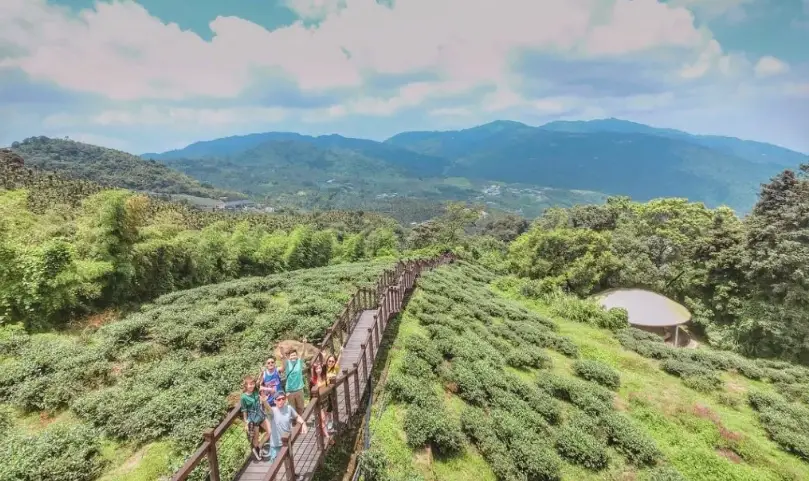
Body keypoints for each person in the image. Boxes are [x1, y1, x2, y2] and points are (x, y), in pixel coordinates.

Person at [266, 391, 307, 462]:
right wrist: (264, 401)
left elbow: (297, 417)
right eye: (278, 399)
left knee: (289, 461)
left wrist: (303, 423)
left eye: (283, 398)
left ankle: (292, 473)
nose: (281, 401)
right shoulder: (273, 410)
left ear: (285, 399)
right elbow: (268, 408)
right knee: (276, 465)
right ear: (274, 401)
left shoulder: (289, 408)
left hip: (287, 441)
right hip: (276, 444)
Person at [240, 375, 272, 461]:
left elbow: (259, 382)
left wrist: (261, 374)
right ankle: (257, 450)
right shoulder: (243, 397)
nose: (251, 386)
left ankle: (259, 447)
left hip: (261, 415)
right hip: (253, 419)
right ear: (246, 385)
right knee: (256, 437)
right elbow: (244, 410)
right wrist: (246, 422)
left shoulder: (255, 391)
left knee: (270, 431)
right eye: (249, 384)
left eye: (252, 384)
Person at [279, 344, 306, 416]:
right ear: (289, 357)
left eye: (295, 355)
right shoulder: (287, 363)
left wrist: (304, 344)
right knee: (292, 409)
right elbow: (284, 357)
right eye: (292, 355)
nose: (293, 357)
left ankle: (300, 421)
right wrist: (281, 349)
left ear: (297, 356)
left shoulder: (299, 362)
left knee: (300, 407)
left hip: (299, 389)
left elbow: (303, 353)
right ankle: (295, 423)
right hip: (290, 391)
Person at [324, 354, 340, 433]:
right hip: (324, 390)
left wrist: (341, 352)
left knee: (330, 407)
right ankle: (327, 420)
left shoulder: (335, 369)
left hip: (332, 391)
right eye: (329, 361)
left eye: (332, 361)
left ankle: (330, 421)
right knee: (325, 407)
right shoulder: (324, 369)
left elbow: (338, 361)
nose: (330, 362)